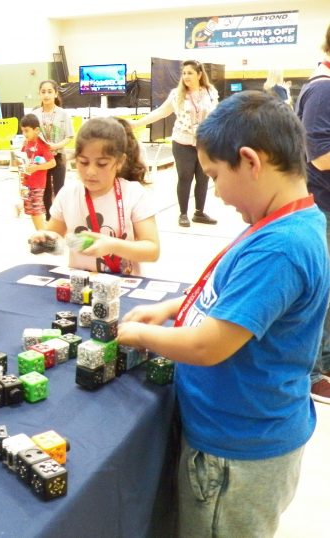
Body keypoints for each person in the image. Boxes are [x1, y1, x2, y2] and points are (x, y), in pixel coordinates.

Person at [119, 91, 330, 537]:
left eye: (215, 175)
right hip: (239, 436)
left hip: (236, 450)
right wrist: (171, 307)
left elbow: (206, 344)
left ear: (251, 161)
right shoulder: (277, 223)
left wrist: (138, 336)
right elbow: (230, 298)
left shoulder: (281, 246)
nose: (214, 190)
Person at [30, 117, 158, 275]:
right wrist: (45, 237)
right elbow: (56, 235)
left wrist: (112, 245)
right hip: (80, 287)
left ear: (119, 162)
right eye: (83, 162)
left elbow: (152, 250)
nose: (90, 172)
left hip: (123, 287)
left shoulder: (133, 193)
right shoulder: (68, 194)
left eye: (102, 164)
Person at [132, 60, 219, 227]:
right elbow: (160, 112)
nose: (186, 76)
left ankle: (199, 213)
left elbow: (216, 115)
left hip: (205, 143)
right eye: (184, 73)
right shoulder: (177, 94)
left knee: (203, 178)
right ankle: (183, 214)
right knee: (185, 177)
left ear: (199, 75)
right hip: (182, 142)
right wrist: (137, 123)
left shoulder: (210, 92)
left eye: (190, 73)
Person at [297, 23, 330, 403]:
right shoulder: (322, 89)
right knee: (321, 294)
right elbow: (320, 155)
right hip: (322, 205)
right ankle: (312, 373)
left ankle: (324, 362)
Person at [31, 79, 74, 221]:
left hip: (58, 157)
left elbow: (69, 136)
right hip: (41, 159)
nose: (46, 95)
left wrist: (56, 146)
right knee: (45, 190)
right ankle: (49, 220)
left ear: (56, 94)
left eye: (50, 92)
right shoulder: (35, 114)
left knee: (59, 190)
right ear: (39, 94)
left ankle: (60, 220)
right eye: (43, 92)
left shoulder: (63, 114)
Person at [19, 114, 56, 231]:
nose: (24, 134)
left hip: (37, 184)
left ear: (36, 130)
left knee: (36, 211)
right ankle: (41, 234)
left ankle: (43, 236)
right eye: (23, 131)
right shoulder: (26, 143)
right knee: (31, 211)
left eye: (27, 131)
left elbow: (52, 163)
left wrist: (36, 168)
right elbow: (22, 159)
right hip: (26, 183)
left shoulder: (42, 145)